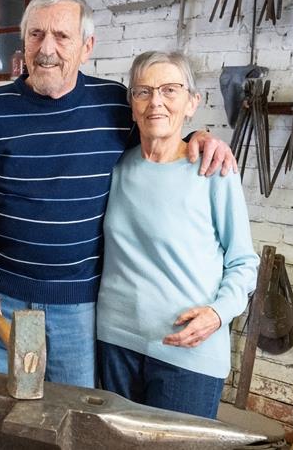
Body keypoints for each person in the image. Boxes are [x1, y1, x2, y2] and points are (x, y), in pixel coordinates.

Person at [0, 0, 237, 388]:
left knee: (71, 419)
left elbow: (161, 138)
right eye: (36, 35)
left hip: (77, 309)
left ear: (87, 47)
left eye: (62, 37)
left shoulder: (115, 106)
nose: (47, 49)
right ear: (24, 42)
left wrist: (201, 136)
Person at [97, 50, 259, 418]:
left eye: (170, 90)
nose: (156, 101)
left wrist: (219, 314)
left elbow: (243, 260)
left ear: (192, 102)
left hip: (189, 352)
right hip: (115, 342)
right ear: (132, 104)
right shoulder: (116, 166)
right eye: (143, 91)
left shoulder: (213, 170)